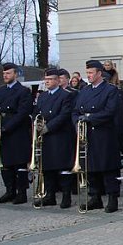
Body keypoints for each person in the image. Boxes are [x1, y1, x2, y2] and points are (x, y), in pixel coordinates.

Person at [72, 60, 123, 213]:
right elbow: (75, 111)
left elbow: (110, 111)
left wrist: (89, 118)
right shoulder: (84, 91)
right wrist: (77, 123)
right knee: (91, 167)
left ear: (99, 73)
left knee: (108, 168)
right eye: (87, 73)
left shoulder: (110, 90)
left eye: (91, 73)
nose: (88, 75)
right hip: (88, 135)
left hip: (104, 134)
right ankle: (95, 197)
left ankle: (112, 197)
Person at [32, 68, 75, 208]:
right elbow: (37, 112)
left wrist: (49, 127)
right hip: (45, 138)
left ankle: (66, 196)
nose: (47, 82)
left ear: (57, 80)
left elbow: (64, 114)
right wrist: (37, 125)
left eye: (50, 79)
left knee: (63, 168)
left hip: (60, 135)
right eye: (45, 80)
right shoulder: (43, 96)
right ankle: (49, 195)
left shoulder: (65, 95)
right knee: (47, 168)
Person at [0, 63, 33, 204]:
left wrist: (7, 127)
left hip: (17, 132)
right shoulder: (1, 91)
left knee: (19, 164)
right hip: (3, 131)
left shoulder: (23, 91)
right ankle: (10, 190)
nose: (5, 76)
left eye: (8, 73)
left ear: (15, 74)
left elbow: (22, 112)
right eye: (4, 73)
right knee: (6, 164)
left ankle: (21, 192)